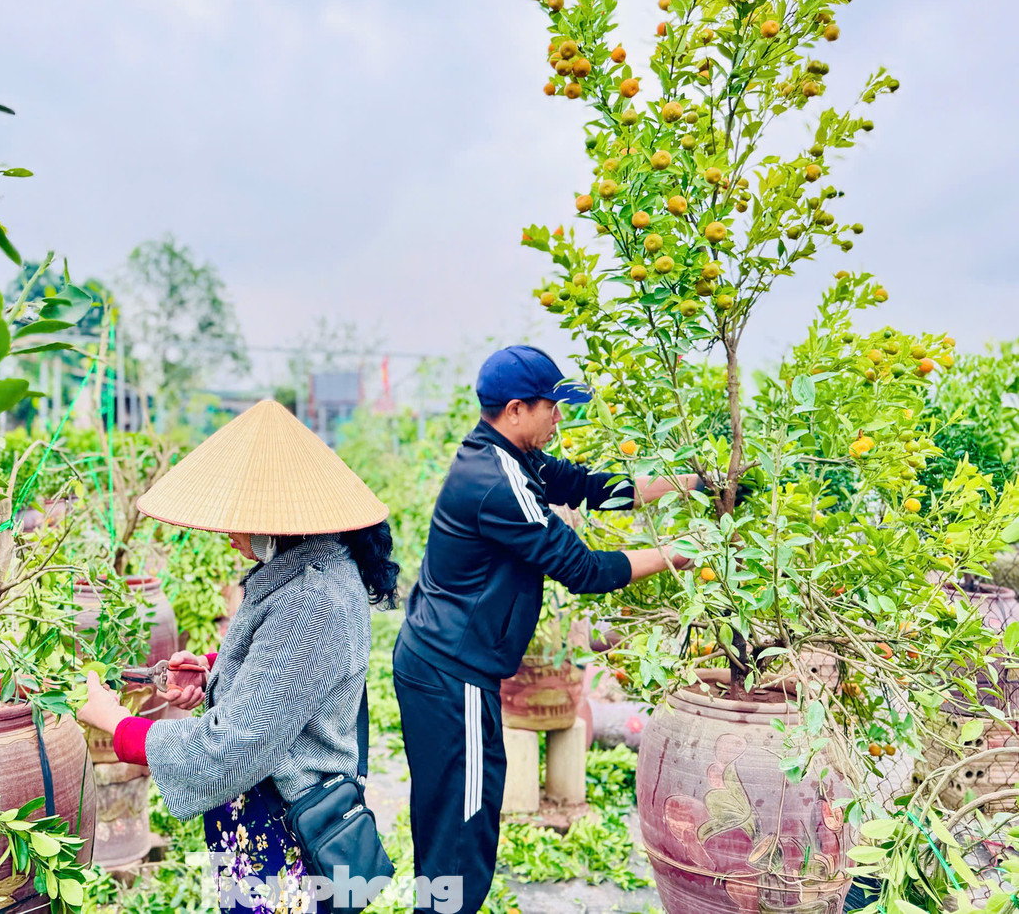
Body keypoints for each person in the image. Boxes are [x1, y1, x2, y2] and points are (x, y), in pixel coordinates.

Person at [393, 345, 698, 914]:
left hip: (452, 667)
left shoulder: (514, 457)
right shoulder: (498, 480)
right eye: (551, 406)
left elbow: (590, 488)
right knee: (462, 829)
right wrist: (680, 552)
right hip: (448, 673)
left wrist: (691, 484)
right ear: (515, 409)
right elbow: (582, 569)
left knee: (460, 819)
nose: (560, 417)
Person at [78, 399, 399, 912]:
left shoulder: (312, 597)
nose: (224, 528)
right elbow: (291, 684)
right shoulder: (314, 570)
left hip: (285, 835)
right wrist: (216, 675)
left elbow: (237, 744)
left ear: (278, 517)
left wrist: (117, 726)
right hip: (277, 821)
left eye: (237, 512)